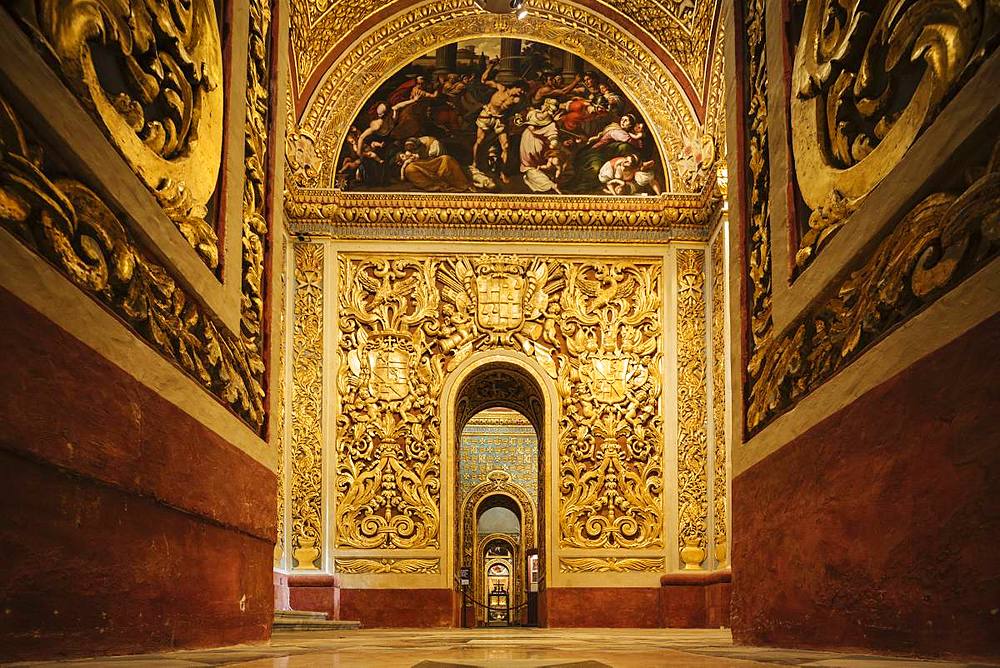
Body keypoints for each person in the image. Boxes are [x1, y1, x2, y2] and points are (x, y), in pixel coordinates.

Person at [472, 58, 527, 175]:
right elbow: (484, 80)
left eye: (522, 91)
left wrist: (519, 116)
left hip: (500, 120)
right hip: (487, 115)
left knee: (505, 146)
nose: (520, 92)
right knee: (480, 140)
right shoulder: (500, 88)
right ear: (514, 86)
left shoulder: (517, 100)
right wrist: (490, 67)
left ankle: (503, 172)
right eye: (520, 90)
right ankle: (474, 163)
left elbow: (523, 109)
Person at [395, 136, 470, 192]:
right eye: (411, 151)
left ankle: (454, 185)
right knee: (410, 169)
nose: (412, 153)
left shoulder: (432, 143)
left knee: (446, 159)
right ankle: (434, 186)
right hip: (421, 165)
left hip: (435, 162)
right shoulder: (410, 151)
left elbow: (438, 156)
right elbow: (408, 163)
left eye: (414, 150)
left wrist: (421, 157)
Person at [598, 154, 662, 195]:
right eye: (626, 159)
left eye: (628, 162)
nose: (625, 162)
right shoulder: (613, 168)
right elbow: (609, 183)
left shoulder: (635, 168)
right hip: (611, 180)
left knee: (648, 178)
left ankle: (659, 195)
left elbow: (651, 163)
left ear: (632, 166)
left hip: (627, 185)